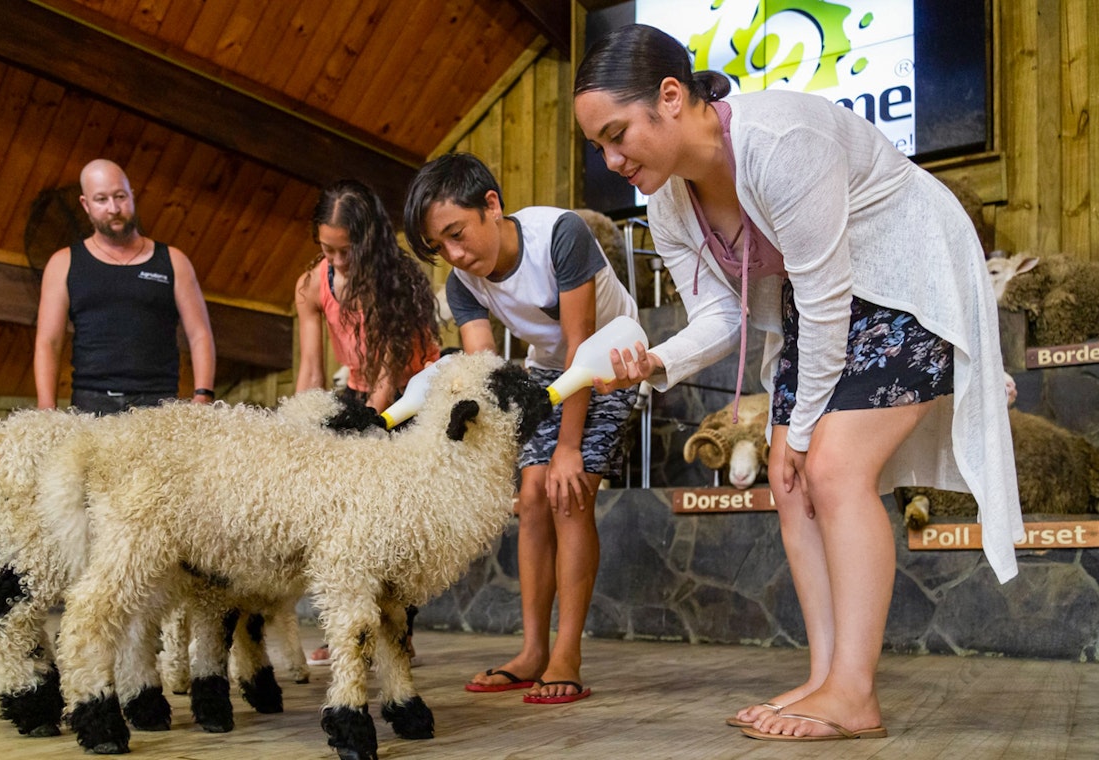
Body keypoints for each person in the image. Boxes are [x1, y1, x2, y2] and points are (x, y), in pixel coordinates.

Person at [573, 24, 1022, 740]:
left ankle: (855, 693)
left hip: (902, 279)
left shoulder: (779, 141)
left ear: (670, 96)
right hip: (822, 305)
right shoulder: (667, 202)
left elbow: (826, 295)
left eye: (618, 133)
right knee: (789, 481)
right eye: (599, 145)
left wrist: (799, 428)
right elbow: (719, 316)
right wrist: (656, 361)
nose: (611, 158)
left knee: (834, 468)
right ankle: (824, 676)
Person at [403, 153, 638, 704]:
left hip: (612, 361)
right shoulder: (463, 284)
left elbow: (582, 346)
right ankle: (532, 651)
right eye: (440, 248)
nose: (455, 255)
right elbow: (486, 375)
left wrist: (568, 449)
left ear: (491, 205)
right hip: (548, 372)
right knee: (531, 496)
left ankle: (567, 653)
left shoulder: (561, 234)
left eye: (457, 235)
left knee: (567, 493)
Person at [294, 179, 441, 665]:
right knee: (345, 526)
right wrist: (300, 427)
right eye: (326, 249)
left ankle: (398, 635)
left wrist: (368, 433)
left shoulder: (392, 279)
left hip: (411, 396)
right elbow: (312, 369)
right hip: (359, 390)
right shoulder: (313, 283)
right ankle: (347, 629)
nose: (336, 261)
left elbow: (389, 376)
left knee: (396, 527)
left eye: (345, 251)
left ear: (371, 241)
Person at [34, 159, 216, 414]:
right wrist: (46, 408)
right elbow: (49, 342)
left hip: (158, 404)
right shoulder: (63, 263)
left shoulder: (173, 261)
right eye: (101, 199)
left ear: (132, 195)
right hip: (91, 404)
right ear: (86, 205)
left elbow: (200, 334)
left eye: (120, 196)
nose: (113, 208)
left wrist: (203, 395)